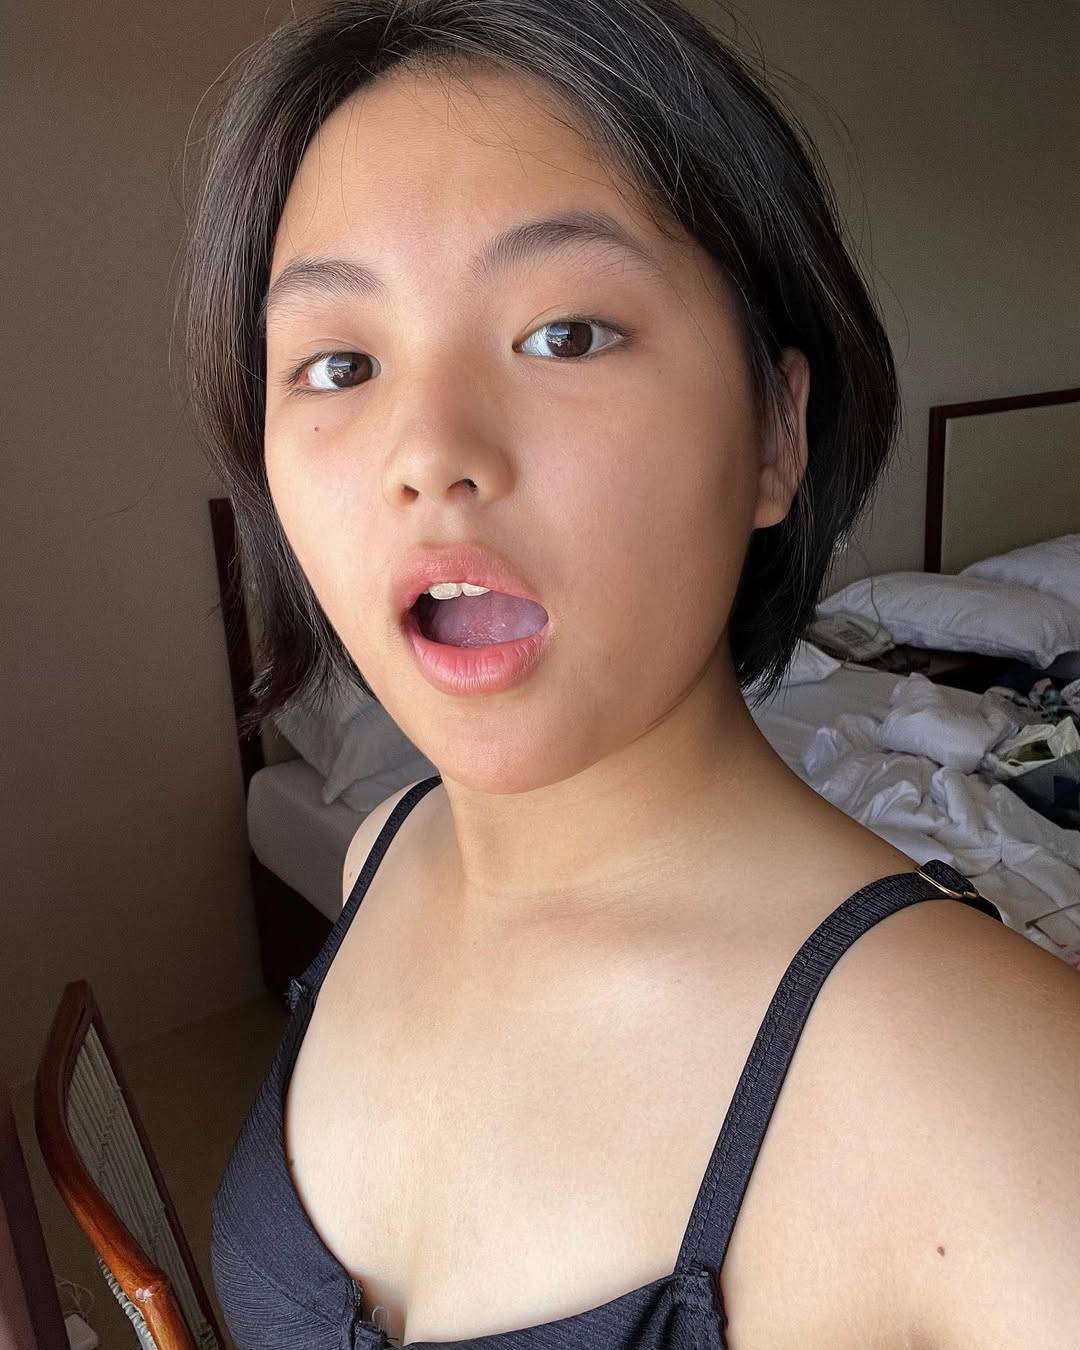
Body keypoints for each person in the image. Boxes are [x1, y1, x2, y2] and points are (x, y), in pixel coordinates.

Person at [181, 1, 1080, 1346]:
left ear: (777, 433)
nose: (429, 451)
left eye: (566, 334)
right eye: (341, 362)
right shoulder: (379, 853)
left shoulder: (1007, 1102)